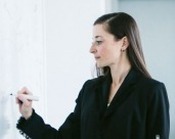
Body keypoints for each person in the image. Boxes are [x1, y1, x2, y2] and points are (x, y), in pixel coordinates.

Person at [16, 12, 170, 139]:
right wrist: (28, 114)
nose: (91, 49)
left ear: (123, 43)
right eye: (93, 41)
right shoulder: (90, 89)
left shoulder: (151, 91)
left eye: (99, 41)